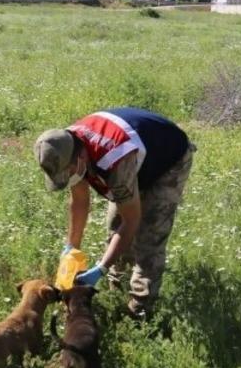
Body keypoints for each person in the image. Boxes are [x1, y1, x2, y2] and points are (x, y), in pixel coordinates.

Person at [34, 108, 194, 318]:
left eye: (69, 173)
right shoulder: (64, 146)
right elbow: (79, 201)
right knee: (114, 228)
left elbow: (131, 220)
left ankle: (140, 313)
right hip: (133, 156)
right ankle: (116, 293)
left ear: (81, 156)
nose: (69, 177)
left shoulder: (114, 160)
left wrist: (100, 268)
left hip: (167, 160)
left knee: (148, 238)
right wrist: (71, 247)